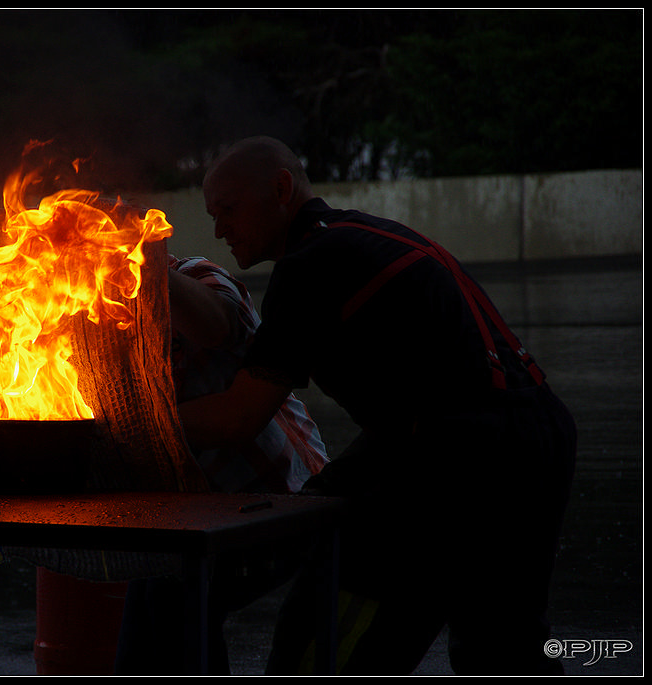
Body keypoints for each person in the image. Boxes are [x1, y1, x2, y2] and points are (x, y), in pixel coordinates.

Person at [177, 136, 576, 675]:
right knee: (503, 651)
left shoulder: (310, 265)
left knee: (320, 653)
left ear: (280, 188)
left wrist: (118, 428)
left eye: (228, 209)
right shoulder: (368, 235)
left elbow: (238, 417)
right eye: (213, 215)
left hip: (454, 452)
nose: (220, 229)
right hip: (539, 438)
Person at [113, 254, 328, 674]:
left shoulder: (194, 274)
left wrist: (140, 264)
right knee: (149, 609)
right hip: (194, 511)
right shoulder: (86, 313)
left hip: (283, 498)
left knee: (173, 592)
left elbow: (219, 326)